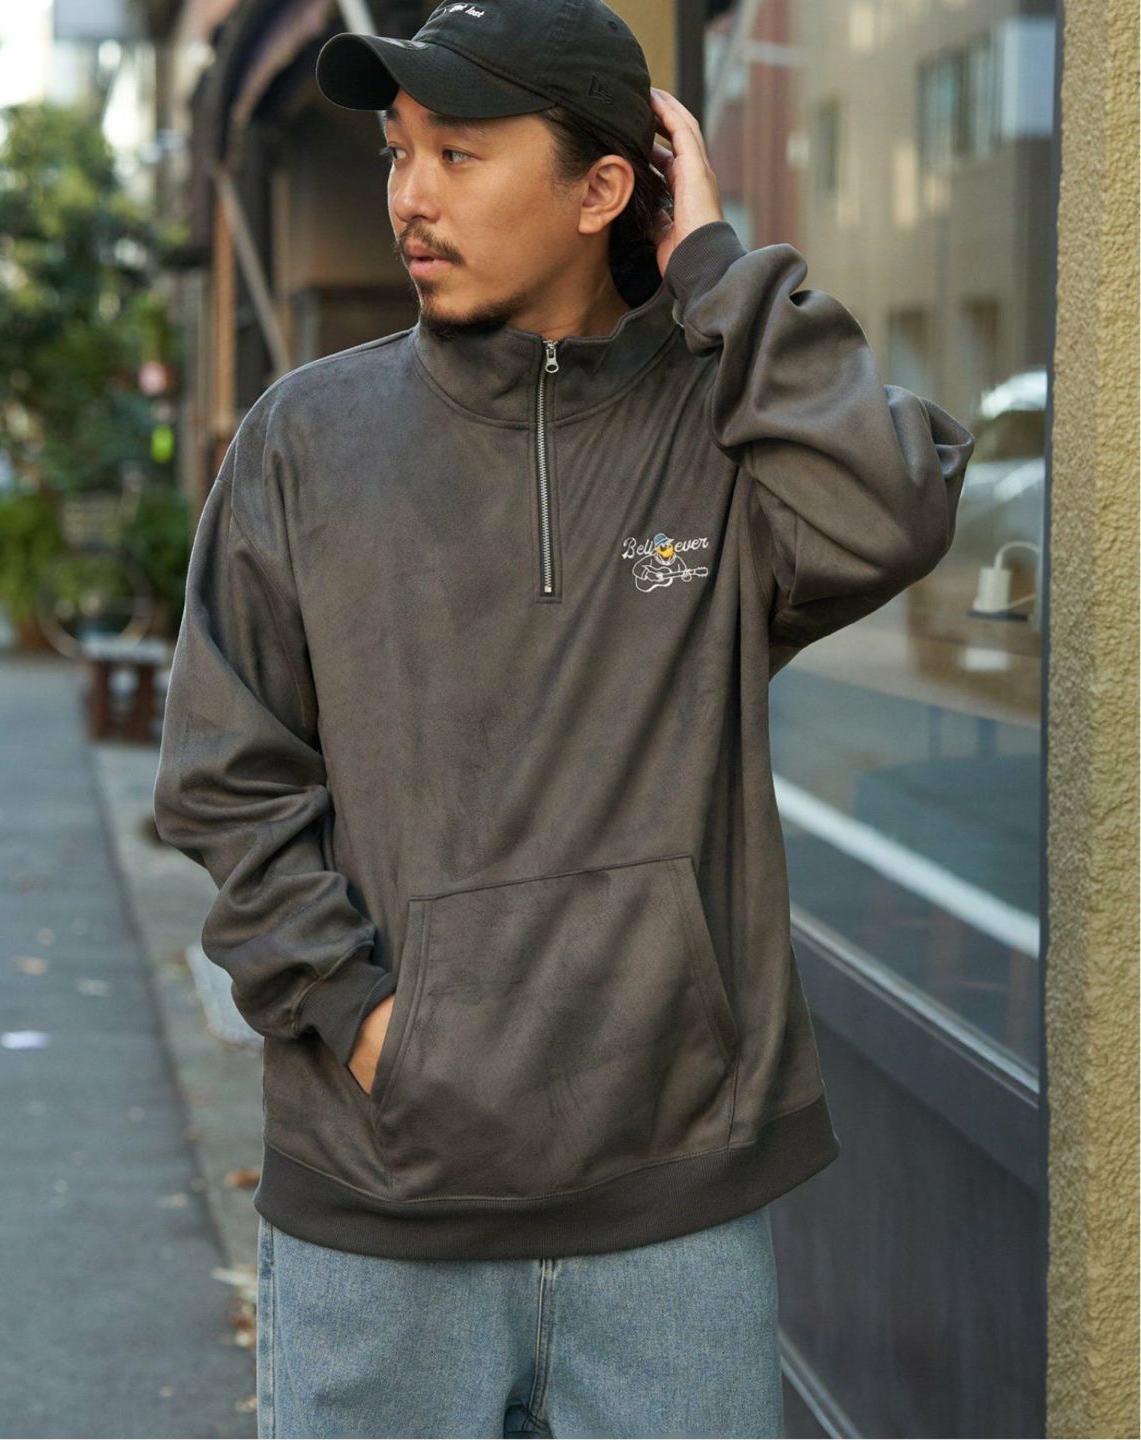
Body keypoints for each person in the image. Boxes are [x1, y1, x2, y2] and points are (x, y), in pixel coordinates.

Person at [152, 1, 975, 1434]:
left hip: (672, 1211)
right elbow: (227, 775)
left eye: (460, 154)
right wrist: (364, 1021)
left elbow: (889, 510)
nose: (410, 196)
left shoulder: (721, 439)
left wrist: (715, 270)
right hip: (381, 1208)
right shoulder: (306, 439)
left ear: (603, 191)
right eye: (399, 152)